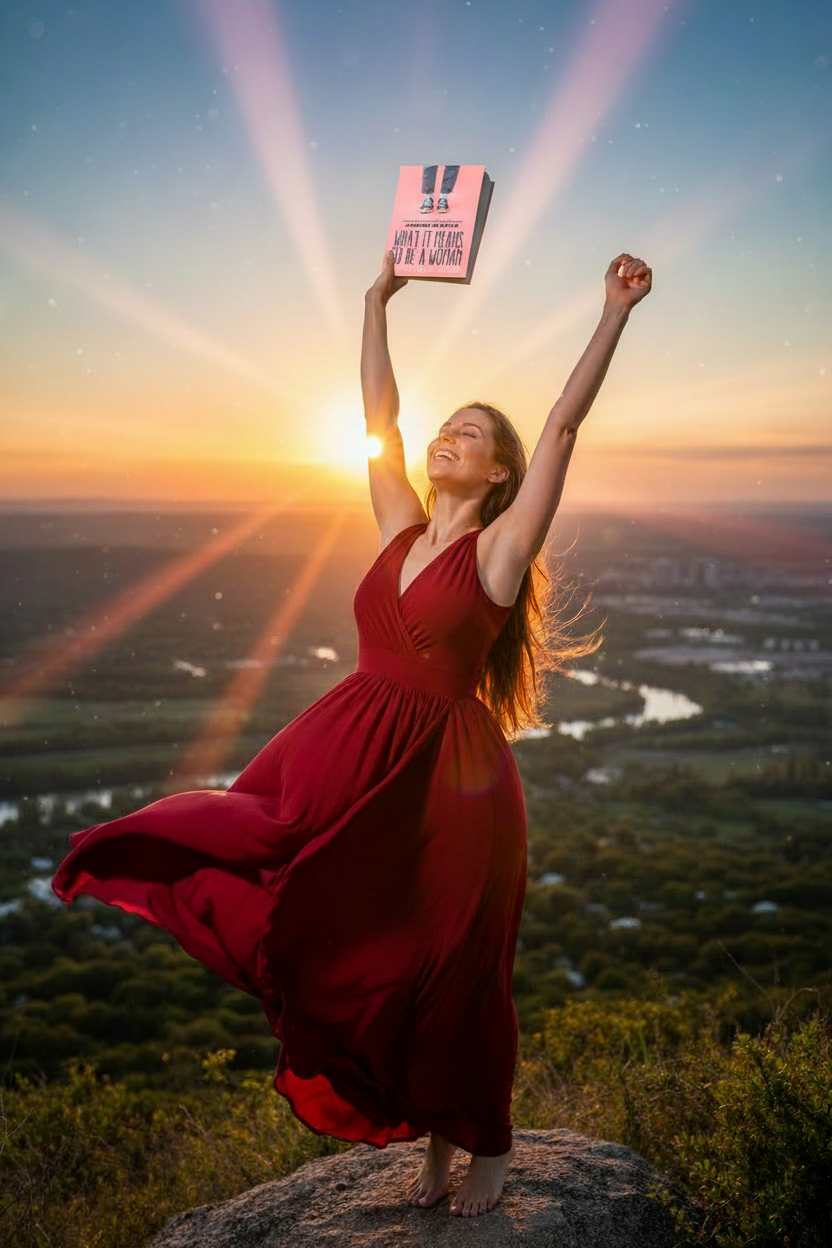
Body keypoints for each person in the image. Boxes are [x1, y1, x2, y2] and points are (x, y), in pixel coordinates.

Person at [52, 247, 652, 1219]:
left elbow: (562, 424)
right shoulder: (397, 529)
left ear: (499, 473)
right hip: (347, 742)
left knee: (454, 964)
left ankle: (483, 1145)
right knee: (303, 883)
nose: (447, 440)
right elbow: (378, 418)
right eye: (446, 431)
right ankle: (427, 1134)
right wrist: (376, 301)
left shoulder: (499, 549)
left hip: (449, 779)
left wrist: (613, 310)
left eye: (470, 436)